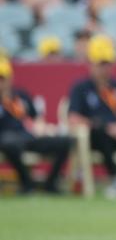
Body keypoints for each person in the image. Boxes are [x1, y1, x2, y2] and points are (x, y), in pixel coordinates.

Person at [68, 34, 116, 198]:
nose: (106, 68)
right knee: (99, 131)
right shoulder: (81, 88)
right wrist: (108, 128)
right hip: (99, 137)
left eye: (108, 63)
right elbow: (73, 118)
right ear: (91, 64)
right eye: (102, 64)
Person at [0, 53, 73, 194]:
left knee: (66, 142)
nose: (1, 83)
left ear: (10, 78)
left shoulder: (21, 96)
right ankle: (27, 183)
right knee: (8, 143)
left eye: (3, 78)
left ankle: (50, 184)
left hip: (28, 136)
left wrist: (42, 128)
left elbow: (36, 118)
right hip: (7, 138)